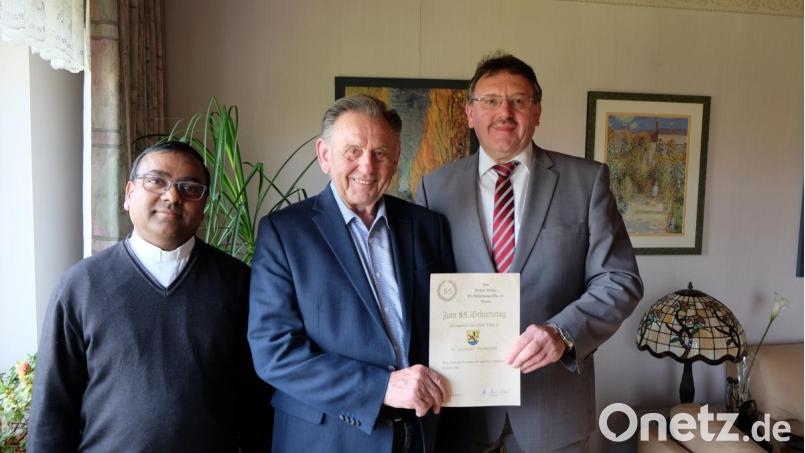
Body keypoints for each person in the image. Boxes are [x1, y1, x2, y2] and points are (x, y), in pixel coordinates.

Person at [417, 53, 644, 453]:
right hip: (461, 406)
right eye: (490, 100)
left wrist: (562, 332)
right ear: (470, 113)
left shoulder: (586, 181)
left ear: (536, 112)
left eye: (518, 100)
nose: (504, 112)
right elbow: (419, 289)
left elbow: (620, 280)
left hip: (553, 408)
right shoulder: (435, 189)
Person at [28, 141, 271, 452]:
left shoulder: (238, 283)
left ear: (204, 204)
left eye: (190, 187)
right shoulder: (81, 284)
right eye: (156, 181)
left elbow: (257, 400)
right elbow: (53, 406)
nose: (172, 196)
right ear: (129, 194)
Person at [248, 95, 454, 453]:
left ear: (395, 159)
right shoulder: (284, 233)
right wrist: (381, 387)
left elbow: (449, 323)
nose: (368, 167)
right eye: (353, 151)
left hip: (418, 434)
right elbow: (273, 352)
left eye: (380, 153)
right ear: (324, 155)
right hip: (329, 437)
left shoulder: (427, 226)